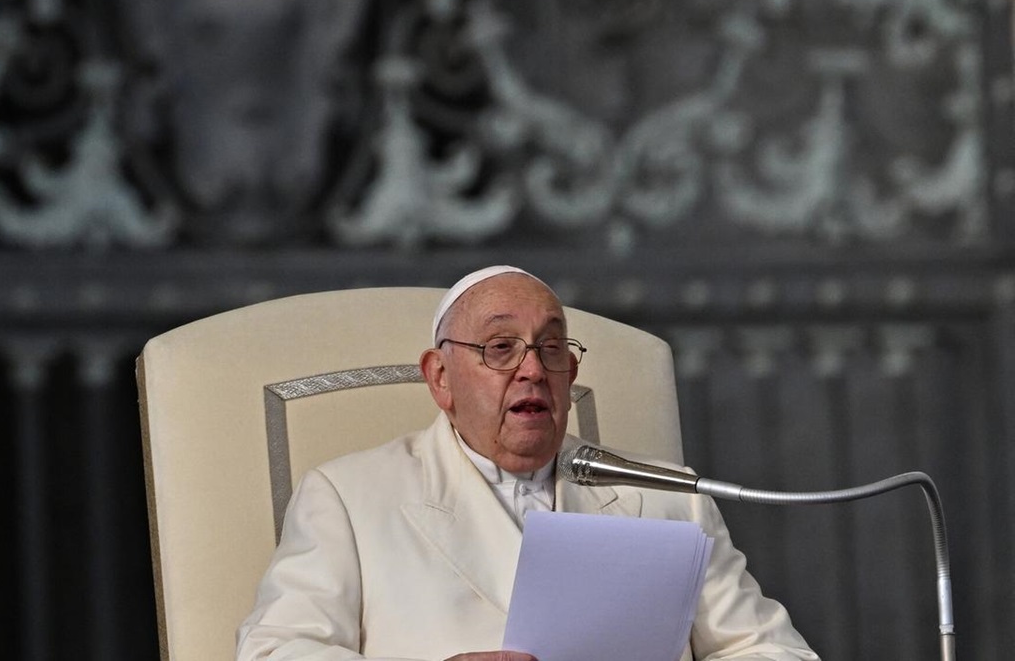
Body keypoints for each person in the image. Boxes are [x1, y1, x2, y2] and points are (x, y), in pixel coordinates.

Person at [236, 265, 819, 660]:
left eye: (550, 348)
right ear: (440, 378)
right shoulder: (347, 496)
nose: (533, 369)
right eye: (500, 348)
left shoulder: (670, 497)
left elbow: (774, 650)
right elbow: (275, 650)